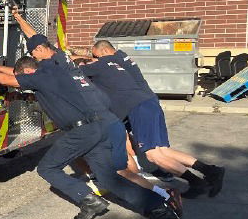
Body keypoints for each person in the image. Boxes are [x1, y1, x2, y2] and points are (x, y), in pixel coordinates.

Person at [0, 49, 180, 219]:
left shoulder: (39, 78)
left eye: (23, 80)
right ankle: (159, 210)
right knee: (109, 179)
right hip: (98, 127)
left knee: (48, 168)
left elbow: (8, 80)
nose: (24, 87)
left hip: (83, 131)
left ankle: (88, 200)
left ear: (29, 73)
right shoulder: (53, 73)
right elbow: (17, 75)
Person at [72, 40, 225, 198]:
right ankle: (211, 171)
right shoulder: (121, 57)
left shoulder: (107, 62)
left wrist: (74, 58)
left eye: (97, 56)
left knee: (153, 155)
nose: (96, 59)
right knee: (162, 151)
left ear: (103, 52)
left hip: (139, 107)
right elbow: (98, 61)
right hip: (149, 103)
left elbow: (81, 68)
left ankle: (196, 182)